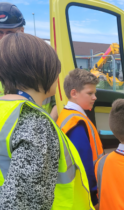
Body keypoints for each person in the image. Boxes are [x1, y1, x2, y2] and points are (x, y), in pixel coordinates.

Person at [0, 33, 94, 209]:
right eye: (56, 71)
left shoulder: (7, 111)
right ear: (43, 72)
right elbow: (25, 203)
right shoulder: (35, 123)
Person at [0, 2, 58, 119]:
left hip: (39, 126)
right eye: (0, 33)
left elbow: (58, 100)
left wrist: (47, 125)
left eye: (9, 33)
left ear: (21, 31)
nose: (4, 38)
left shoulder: (38, 59)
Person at [56, 68, 104, 208]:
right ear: (74, 93)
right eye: (90, 93)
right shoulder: (76, 123)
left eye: (94, 93)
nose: (94, 97)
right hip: (85, 194)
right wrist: (94, 198)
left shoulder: (67, 115)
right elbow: (85, 165)